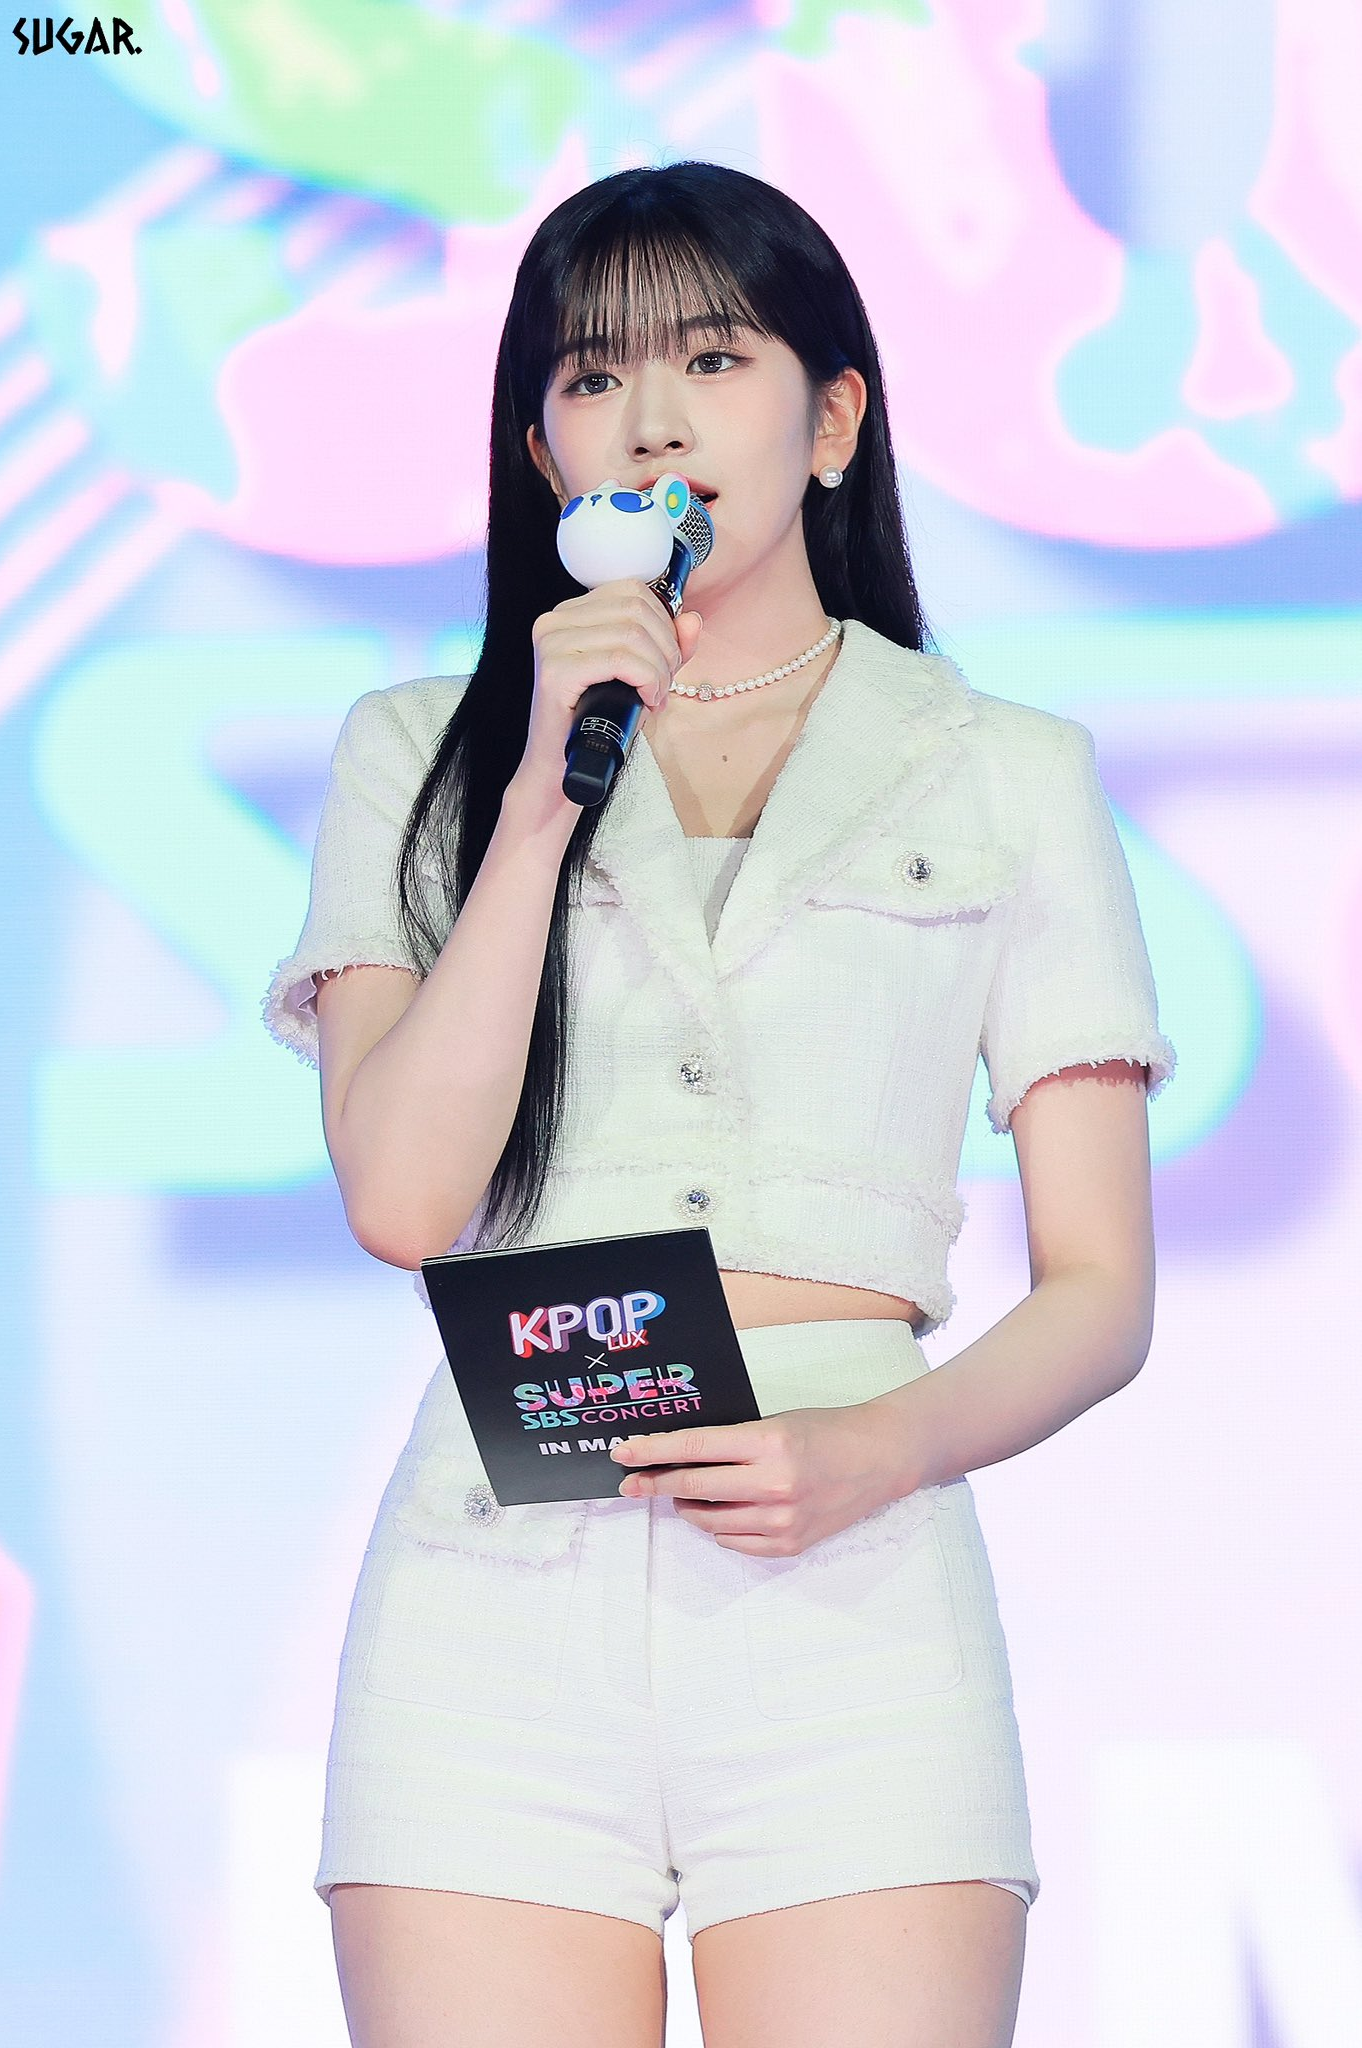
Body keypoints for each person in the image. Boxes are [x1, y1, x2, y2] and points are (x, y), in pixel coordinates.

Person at [264, 161, 1176, 2048]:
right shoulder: (416, 757)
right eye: (593, 376)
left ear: (830, 421)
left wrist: (880, 1450)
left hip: (850, 1577)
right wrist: (535, 798)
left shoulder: (1001, 770)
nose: (654, 421)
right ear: (541, 451)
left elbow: (1100, 1291)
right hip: (496, 1577)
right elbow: (403, 1200)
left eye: (711, 357)